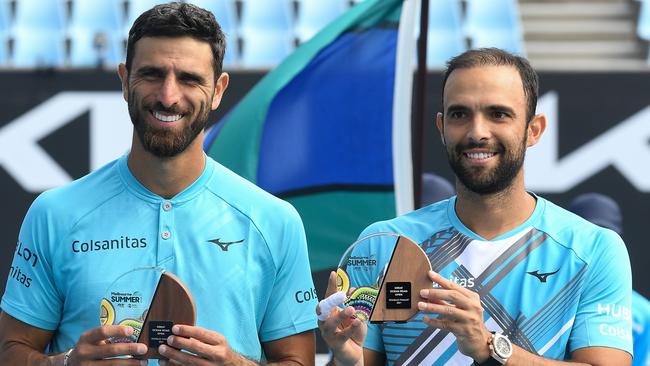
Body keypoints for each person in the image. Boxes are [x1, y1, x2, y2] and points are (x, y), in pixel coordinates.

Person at [0, 3, 317, 365]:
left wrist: (235, 364)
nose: (168, 96)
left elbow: (299, 360)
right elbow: (11, 351)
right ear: (124, 79)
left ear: (218, 89)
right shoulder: (54, 213)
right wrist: (65, 363)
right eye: (152, 74)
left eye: (189, 78)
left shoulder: (275, 220)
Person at [318, 48, 633, 365]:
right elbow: (358, 358)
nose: (477, 132)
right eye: (459, 114)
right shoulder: (383, 244)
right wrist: (347, 359)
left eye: (498, 114)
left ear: (533, 129)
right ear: (441, 127)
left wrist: (489, 346)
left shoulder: (593, 249)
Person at [568, 192, 650, 366]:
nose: (596, 246)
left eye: (605, 236)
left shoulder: (644, 312)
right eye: (587, 235)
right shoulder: (545, 294)